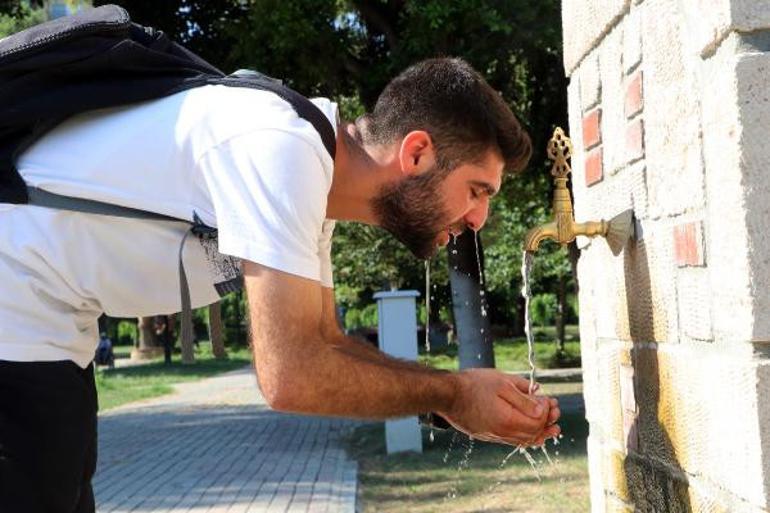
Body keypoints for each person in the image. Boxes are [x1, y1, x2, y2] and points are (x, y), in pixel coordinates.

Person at [0, 57, 560, 513]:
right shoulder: (279, 147)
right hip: (15, 297)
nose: (477, 219)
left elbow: (327, 342)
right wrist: (454, 396)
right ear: (416, 154)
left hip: (49, 318)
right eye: (478, 190)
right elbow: (292, 376)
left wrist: (451, 401)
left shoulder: (315, 173)